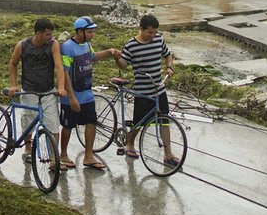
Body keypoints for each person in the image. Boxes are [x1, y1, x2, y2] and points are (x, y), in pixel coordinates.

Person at [114, 14, 178, 165]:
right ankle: (130, 143)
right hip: (142, 91)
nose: (152, 35)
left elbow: (168, 55)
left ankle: (168, 154)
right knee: (139, 122)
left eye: (155, 32)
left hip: (159, 88)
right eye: (149, 32)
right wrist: (116, 57)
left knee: (164, 121)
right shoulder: (131, 45)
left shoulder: (158, 40)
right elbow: (124, 64)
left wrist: (169, 67)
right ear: (141, 29)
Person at [59, 16, 120, 170]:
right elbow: (64, 74)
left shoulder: (87, 45)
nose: (93, 35)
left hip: (87, 93)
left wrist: (108, 52)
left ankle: (88, 156)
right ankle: (63, 154)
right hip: (71, 96)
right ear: (79, 32)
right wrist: (71, 97)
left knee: (91, 122)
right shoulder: (67, 48)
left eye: (93, 32)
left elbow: (92, 58)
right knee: (68, 126)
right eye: (90, 32)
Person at [8, 18, 67, 162]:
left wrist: (60, 87)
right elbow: (13, 64)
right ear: (38, 34)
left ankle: (54, 158)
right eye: (47, 34)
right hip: (29, 90)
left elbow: (59, 66)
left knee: (53, 123)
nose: (50, 37)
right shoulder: (22, 45)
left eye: (51, 34)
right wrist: (14, 85)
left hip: (48, 91)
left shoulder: (53, 45)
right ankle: (27, 148)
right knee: (28, 120)